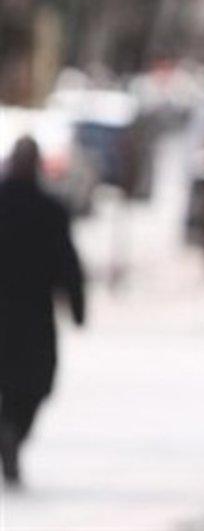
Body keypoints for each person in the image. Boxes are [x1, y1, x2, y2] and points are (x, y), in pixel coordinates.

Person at [0, 137, 86, 488]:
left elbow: (67, 260)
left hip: (30, 311)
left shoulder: (50, 209)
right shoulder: (49, 208)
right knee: (33, 382)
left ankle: (10, 433)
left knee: (35, 383)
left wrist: (78, 303)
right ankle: (13, 433)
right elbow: (69, 263)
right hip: (33, 315)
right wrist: (78, 305)